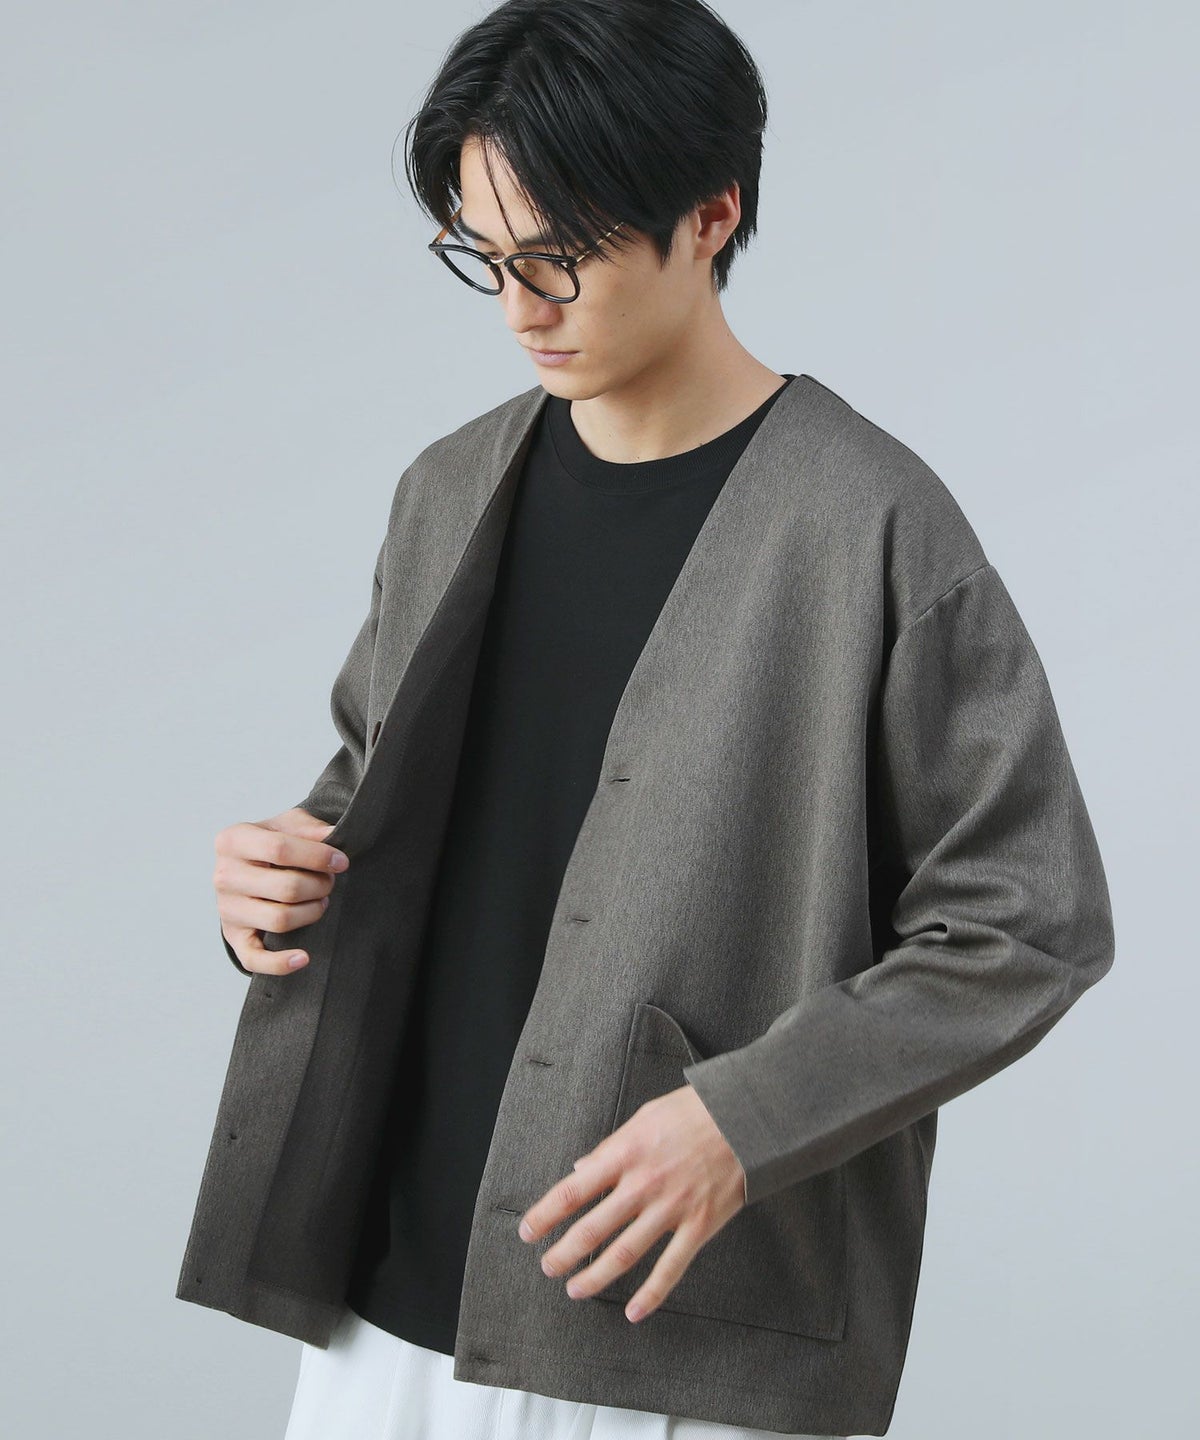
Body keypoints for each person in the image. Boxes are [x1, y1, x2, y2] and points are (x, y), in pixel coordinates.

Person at [180, 3, 1115, 1437]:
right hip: (381, 1295)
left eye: (560, 256)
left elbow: (1030, 920)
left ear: (711, 215)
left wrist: (749, 1119)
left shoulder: (869, 526)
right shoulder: (446, 490)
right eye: (484, 257)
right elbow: (368, 794)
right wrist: (276, 879)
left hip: (660, 1323)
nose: (520, 308)